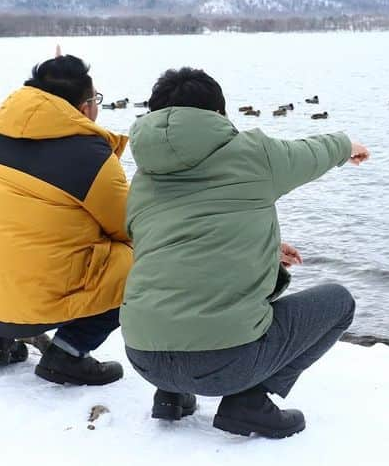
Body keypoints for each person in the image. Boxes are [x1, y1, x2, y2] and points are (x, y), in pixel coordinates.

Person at [122, 67, 369, 438]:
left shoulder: (142, 179)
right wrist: (347, 145)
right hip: (222, 363)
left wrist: (265, 249)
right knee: (338, 303)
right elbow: (310, 153)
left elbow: (177, 251)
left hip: (143, 355)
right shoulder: (253, 153)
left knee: (171, 285)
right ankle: (250, 402)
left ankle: (170, 396)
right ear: (219, 115)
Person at [0, 54, 133, 386]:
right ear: (85, 107)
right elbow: (129, 226)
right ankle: (68, 354)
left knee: (6, 236)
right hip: (27, 309)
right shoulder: (89, 155)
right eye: (96, 99)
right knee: (136, 259)